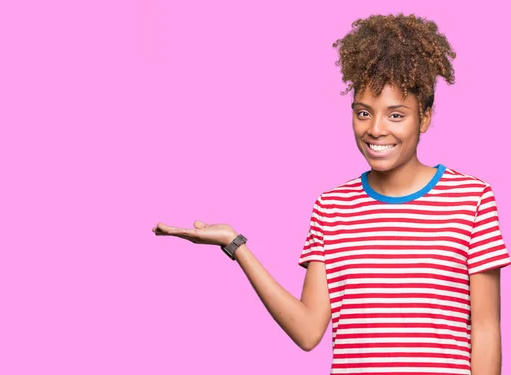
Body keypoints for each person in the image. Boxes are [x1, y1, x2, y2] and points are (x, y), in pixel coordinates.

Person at [152, 13, 510, 375]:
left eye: (396, 115)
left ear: (426, 117)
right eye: (363, 112)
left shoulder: (471, 198)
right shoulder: (332, 207)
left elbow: (485, 330)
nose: (375, 129)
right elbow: (308, 331)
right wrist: (235, 245)